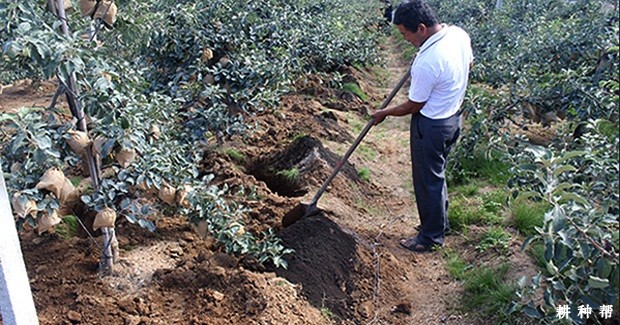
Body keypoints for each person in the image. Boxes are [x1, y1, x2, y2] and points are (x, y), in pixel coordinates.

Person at [371, 0, 473, 252]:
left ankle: (429, 238)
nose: (404, 38)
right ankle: (439, 224)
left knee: (427, 180)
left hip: (431, 126)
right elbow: (469, 65)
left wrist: (384, 112)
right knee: (436, 176)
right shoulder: (458, 34)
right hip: (453, 118)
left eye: (405, 33)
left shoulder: (428, 61)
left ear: (421, 28)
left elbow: (413, 105)